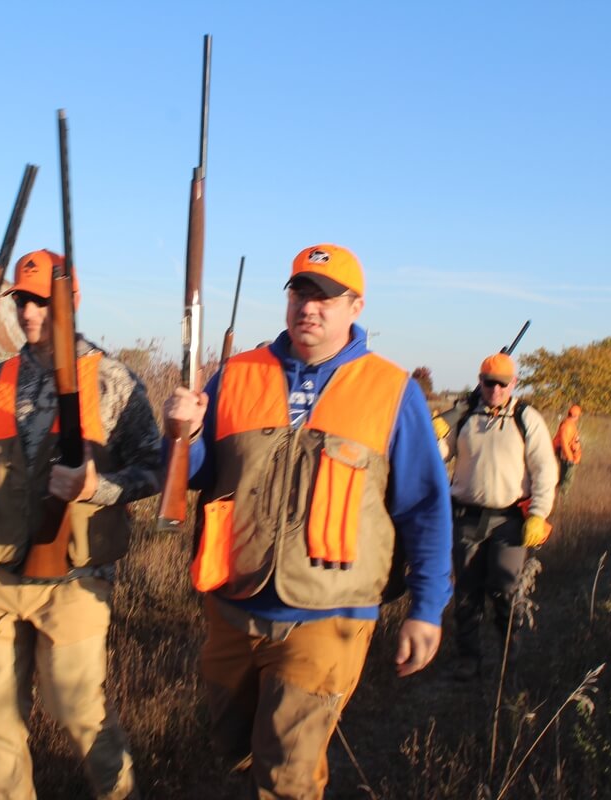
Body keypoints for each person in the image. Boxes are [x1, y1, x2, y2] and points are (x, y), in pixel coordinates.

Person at [163, 243, 453, 799]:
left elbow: (424, 509)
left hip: (328, 616)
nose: (308, 307)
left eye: (325, 297)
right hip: (233, 606)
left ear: (356, 307)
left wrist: (427, 608)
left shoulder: (392, 391)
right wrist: (185, 433)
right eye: (300, 293)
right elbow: (195, 475)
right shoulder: (236, 374)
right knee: (233, 746)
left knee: (286, 775)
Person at [0, 249, 161, 800]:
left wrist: (97, 489)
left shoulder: (112, 380)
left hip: (74, 579)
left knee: (76, 707)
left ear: (71, 302)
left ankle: (119, 793)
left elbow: (154, 468)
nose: (28, 312)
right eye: (21, 301)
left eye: (40, 300)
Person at [437, 352, 558, 681]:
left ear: (514, 383)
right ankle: (468, 657)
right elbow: (440, 454)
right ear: (480, 382)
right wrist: (434, 432)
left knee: (504, 588)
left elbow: (545, 470)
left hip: (510, 521)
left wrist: (538, 514)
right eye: (489, 383)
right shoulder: (464, 415)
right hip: (466, 517)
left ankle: (508, 651)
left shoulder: (526, 418)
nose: (496, 389)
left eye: (503, 384)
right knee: (466, 591)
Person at [552, 404, 583, 494]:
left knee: (564, 478)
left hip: (569, 456)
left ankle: (561, 494)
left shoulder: (569, 424)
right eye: (578, 416)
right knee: (566, 480)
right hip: (568, 457)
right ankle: (563, 497)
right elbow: (564, 443)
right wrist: (570, 458)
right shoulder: (567, 426)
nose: (578, 418)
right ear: (575, 416)